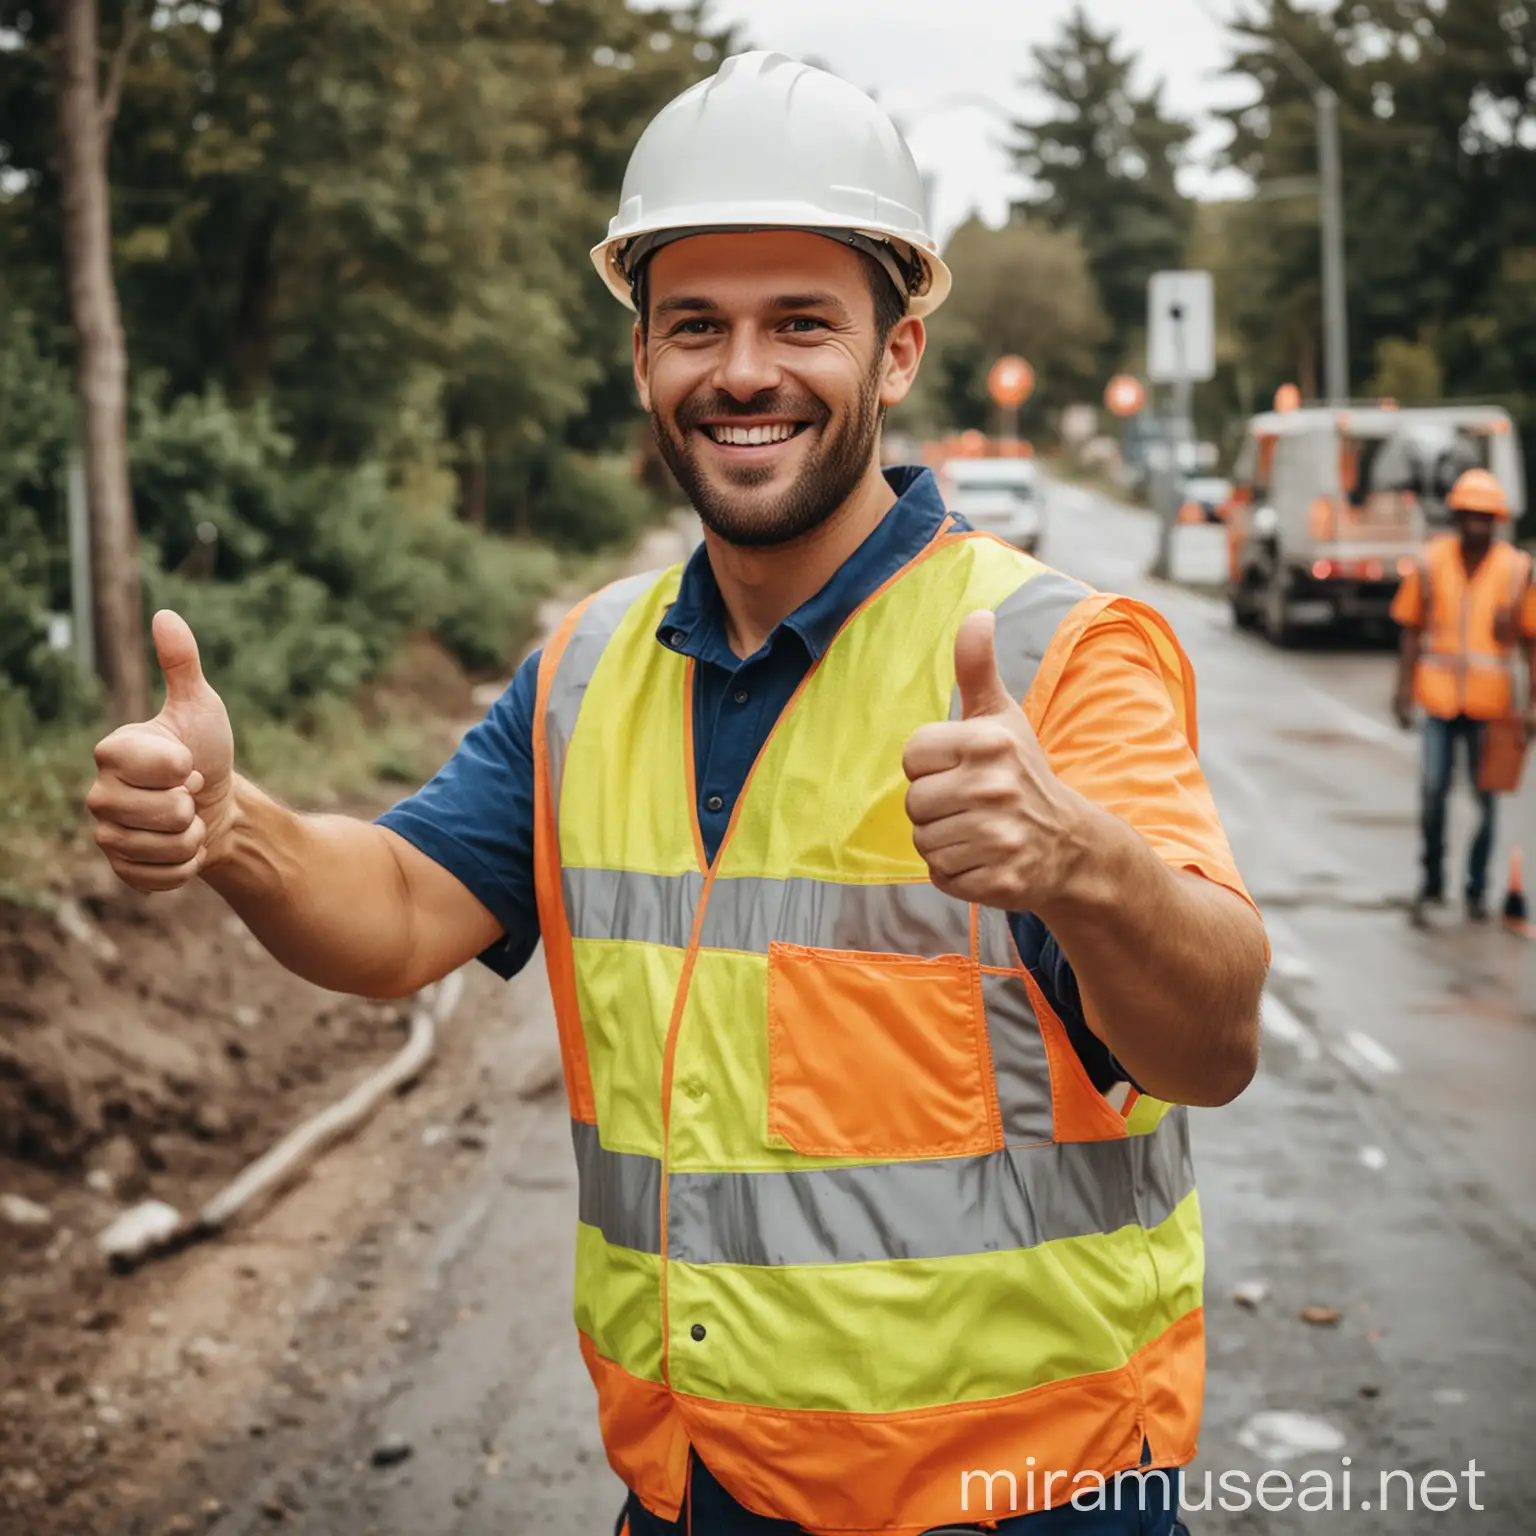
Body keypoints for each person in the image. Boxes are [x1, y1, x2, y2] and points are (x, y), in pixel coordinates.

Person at [86, 52, 1267, 1536]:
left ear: (897, 354)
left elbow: (1214, 1039)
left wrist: (1085, 865)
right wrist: (231, 827)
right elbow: (392, 916)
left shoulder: (1056, 656)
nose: (744, 371)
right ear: (642, 359)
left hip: (1023, 1506)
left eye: (802, 325)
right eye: (695, 324)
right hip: (695, 1495)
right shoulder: (586, 666)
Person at [1391, 467, 1536, 924]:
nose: (1477, 523)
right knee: (1433, 792)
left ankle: (1476, 889)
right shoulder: (1432, 562)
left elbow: (1532, 643)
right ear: (1456, 517)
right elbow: (1412, 629)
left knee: (1485, 801)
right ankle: (1433, 879)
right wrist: (1402, 690)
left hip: (1491, 706)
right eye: (1469, 515)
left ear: (1497, 520)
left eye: (1485, 516)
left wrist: (1532, 704)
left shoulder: (1516, 569)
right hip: (1437, 700)